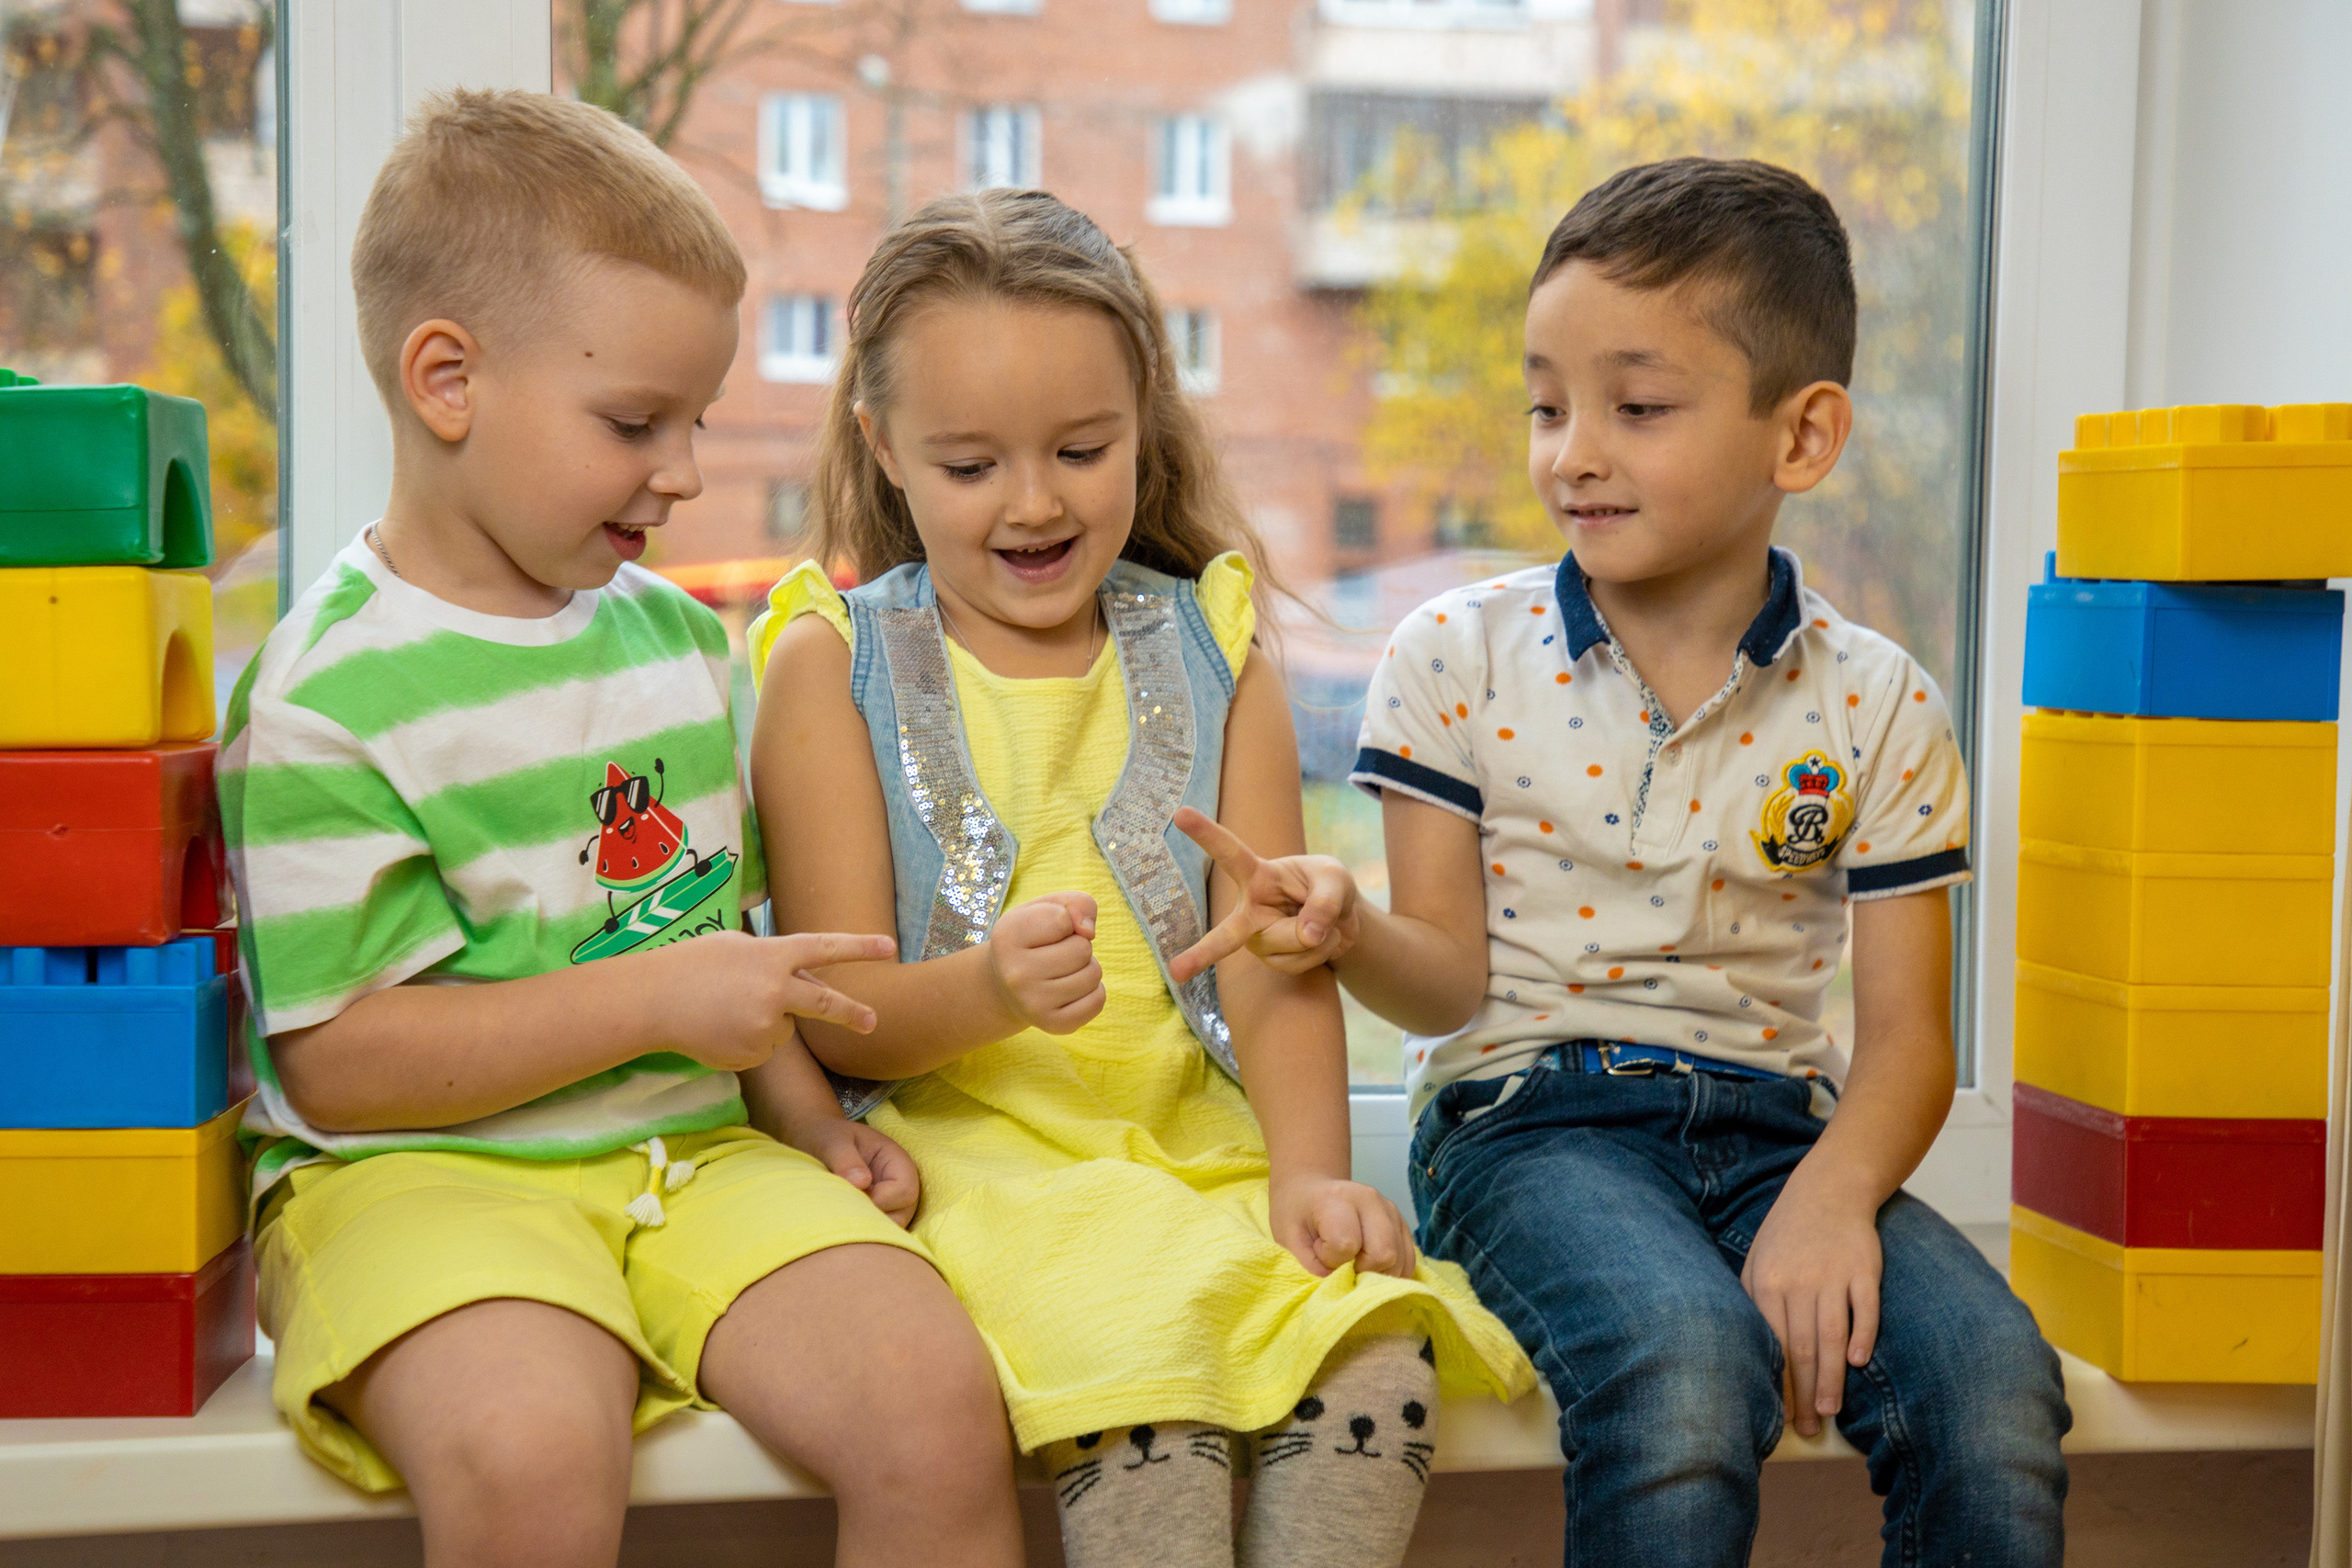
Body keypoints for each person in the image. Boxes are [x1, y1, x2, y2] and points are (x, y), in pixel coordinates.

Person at [1177, 158, 2071, 1567]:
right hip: (1531, 1125)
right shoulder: (1456, 657)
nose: (1571, 451)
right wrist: (1346, 927)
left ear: (1804, 435)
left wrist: (1831, 1203)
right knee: (1687, 1370)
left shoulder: (1881, 698)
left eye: (1637, 409)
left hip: (1785, 1135)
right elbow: (1443, 984)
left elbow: (1905, 1044)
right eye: (1548, 405)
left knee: (1999, 1393)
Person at [218, 90, 1022, 1568]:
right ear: (447, 381)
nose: (688, 471)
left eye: (696, 419)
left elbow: (717, 944)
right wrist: (656, 999)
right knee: (530, 1454)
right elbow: (339, 1062)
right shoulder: (321, 699)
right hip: (416, 1182)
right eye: (635, 423)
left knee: (936, 1405)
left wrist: (810, 1124)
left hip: (693, 1161)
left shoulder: (672, 643)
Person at [748, 188, 1534, 1568]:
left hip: (1200, 1152)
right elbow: (824, 1010)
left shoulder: (1213, 646)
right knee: (1146, 1384)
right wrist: (989, 992)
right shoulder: (833, 662)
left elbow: (1269, 951)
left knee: (1374, 1353)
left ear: (1145, 418)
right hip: (980, 1167)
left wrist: (1304, 1175)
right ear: (884, 448)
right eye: (972, 465)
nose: (1036, 500)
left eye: (1081, 448)